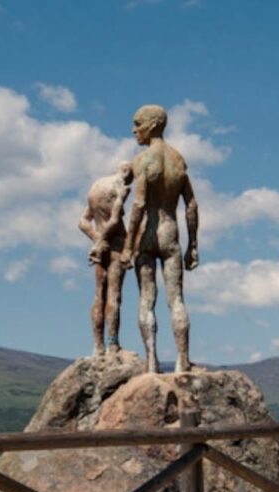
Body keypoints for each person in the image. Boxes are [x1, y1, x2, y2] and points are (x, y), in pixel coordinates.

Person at [122, 105, 199, 373]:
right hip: (171, 235)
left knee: (146, 297)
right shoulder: (178, 160)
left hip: (147, 234)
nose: (134, 130)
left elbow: (139, 204)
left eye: (137, 123)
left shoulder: (143, 161)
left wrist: (128, 245)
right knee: (176, 299)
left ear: (153, 125)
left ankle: (152, 362)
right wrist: (193, 245)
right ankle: (182, 360)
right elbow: (191, 206)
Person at [78, 162, 133, 357]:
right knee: (113, 294)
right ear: (126, 172)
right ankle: (112, 344)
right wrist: (102, 241)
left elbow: (83, 221)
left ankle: (97, 346)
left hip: (101, 247)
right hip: (116, 245)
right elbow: (116, 220)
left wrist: (96, 241)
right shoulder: (120, 187)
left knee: (98, 294)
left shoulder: (97, 185)